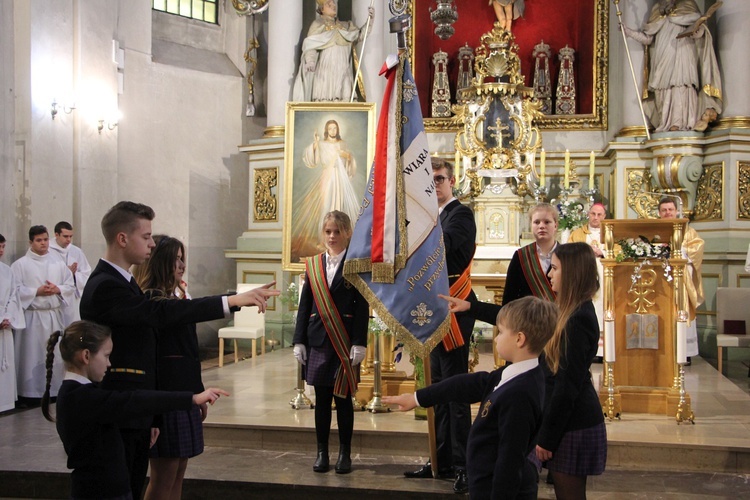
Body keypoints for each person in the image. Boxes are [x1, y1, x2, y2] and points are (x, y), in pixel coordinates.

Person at [80, 201, 279, 499]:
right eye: (146, 237)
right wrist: (232, 301)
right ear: (122, 239)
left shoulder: (124, 285)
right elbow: (162, 314)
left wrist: (154, 417)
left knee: (136, 486)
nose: (151, 244)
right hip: (119, 407)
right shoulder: (106, 286)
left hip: (136, 408)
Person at [384, 296, 558, 500]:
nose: (495, 338)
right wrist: (417, 398)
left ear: (519, 339)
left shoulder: (519, 394)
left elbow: (509, 464)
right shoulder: (515, 374)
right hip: (486, 485)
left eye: (500, 332)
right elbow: (467, 384)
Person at [41, 320, 229, 500]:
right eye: (106, 356)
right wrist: (192, 398)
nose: (109, 364)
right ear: (86, 356)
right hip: (100, 491)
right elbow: (135, 400)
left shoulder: (81, 392)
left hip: (106, 488)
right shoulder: (81, 397)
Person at [402, 159, 476, 493]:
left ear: (451, 180)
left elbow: (440, 247)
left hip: (454, 308)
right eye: (429, 181)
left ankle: (464, 465)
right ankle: (441, 458)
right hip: (431, 307)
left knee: (457, 392)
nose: (435, 185)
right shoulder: (430, 218)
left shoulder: (460, 214)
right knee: (438, 387)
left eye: (440, 178)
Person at [292, 210, 368, 474]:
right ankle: (322, 453)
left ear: (347, 232)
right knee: (322, 400)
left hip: (344, 341)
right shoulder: (313, 265)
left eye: (337, 231)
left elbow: (361, 307)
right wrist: (299, 340)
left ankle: (344, 454)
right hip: (318, 341)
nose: (332, 236)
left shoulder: (356, 264)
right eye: (328, 231)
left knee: (344, 399)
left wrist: (360, 342)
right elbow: (306, 305)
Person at [137, 236, 206, 500]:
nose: (181, 265)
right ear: (160, 262)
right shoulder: (152, 301)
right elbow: (155, 358)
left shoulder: (179, 296)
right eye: (175, 259)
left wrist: (197, 394)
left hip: (184, 394)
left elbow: (189, 353)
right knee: (163, 476)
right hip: (165, 397)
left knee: (178, 471)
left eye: (182, 258)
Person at [535, 242, 607, 499]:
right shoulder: (570, 311)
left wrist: (546, 438)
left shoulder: (577, 319)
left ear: (572, 273)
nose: (549, 274)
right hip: (569, 422)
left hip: (574, 424)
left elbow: (567, 387)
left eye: (554, 268)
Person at [623, 0, 722, 132]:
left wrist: (696, 30)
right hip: (662, 55)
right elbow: (648, 39)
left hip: (683, 52)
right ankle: (665, 122)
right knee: (662, 87)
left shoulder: (688, 5)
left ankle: (682, 122)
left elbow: (700, 33)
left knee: (682, 84)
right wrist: (629, 32)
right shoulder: (657, 9)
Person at [12, 225, 76, 404]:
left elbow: (70, 286)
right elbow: (15, 291)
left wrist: (57, 289)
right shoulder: (20, 265)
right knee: (31, 355)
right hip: (32, 319)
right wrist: (36, 291)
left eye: (46, 239)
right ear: (30, 242)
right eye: (39, 240)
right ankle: (29, 393)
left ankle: (53, 390)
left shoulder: (58, 263)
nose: (43, 243)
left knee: (53, 355)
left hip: (52, 316)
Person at [291, 119, 361, 262]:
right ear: (326, 130)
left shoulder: (342, 144)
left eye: (335, 128)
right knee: (326, 205)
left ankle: (341, 241)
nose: (333, 131)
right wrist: (316, 143)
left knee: (339, 206)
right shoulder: (322, 144)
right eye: (330, 129)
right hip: (327, 177)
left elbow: (350, 161)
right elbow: (312, 159)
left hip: (340, 179)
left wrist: (347, 156)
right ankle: (324, 240)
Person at [292, 0, 374, 102]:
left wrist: (370, 20)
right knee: (324, 99)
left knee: (346, 96)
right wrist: (310, 61)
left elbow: (361, 35)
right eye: (328, 4)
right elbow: (310, 45)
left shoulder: (346, 25)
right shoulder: (317, 24)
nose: (333, 6)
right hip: (326, 69)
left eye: (333, 3)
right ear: (321, 9)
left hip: (344, 69)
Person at [658, 197, 704, 361]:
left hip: (682, 279)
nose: (668, 213)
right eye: (664, 210)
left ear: (676, 211)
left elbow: (697, 248)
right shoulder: (655, 230)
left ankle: (685, 351)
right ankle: (664, 350)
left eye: (670, 209)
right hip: (660, 280)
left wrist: (678, 250)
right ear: (659, 213)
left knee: (681, 310)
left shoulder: (688, 231)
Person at [569, 203, 611, 359]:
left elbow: (619, 252)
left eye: (599, 215)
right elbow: (570, 253)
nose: (596, 217)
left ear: (604, 216)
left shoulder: (611, 233)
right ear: (588, 214)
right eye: (593, 214)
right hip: (584, 278)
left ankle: (603, 350)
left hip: (606, 279)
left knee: (602, 309)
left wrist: (602, 252)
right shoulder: (578, 234)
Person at [503, 203, 558, 305]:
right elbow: (510, 297)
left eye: (547, 222)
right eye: (536, 222)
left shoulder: (567, 255)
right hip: (528, 318)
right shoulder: (521, 256)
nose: (542, 226)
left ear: (555, 225)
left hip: (561, 318)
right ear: (531, 226)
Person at [49, 221, 92, 327]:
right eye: (65, 236)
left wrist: (73, 275)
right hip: (55, 298)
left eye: (70, 236)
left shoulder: (76, 251)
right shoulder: (48, 251)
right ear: (56, 235)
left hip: (72, 299)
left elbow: (86, 274)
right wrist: (65, 272)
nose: (68, 240)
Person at [0, 233, 25, 413]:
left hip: (5, 325)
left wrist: (7, 316)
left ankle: (4, 402)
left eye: (3, 247)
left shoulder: (6, 271)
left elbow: (13, 298)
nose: (1, 251)